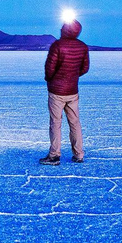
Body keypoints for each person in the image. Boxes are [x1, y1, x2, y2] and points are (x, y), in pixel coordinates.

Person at [40, 18, 90, 165]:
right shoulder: (83, 47)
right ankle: (79, 154)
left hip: (56, 91)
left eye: (63, 27)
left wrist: (51, 79)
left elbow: (50, 68)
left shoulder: (57, 46)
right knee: (75, 123)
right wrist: (72, 76)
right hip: (72, 91)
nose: (61, 29)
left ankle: (54, 155)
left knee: (56, 123)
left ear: (66, 30)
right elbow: (84, 68)